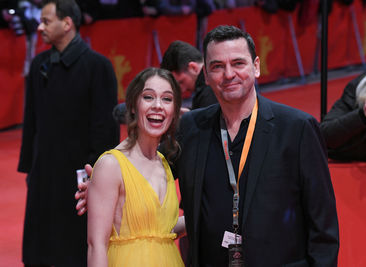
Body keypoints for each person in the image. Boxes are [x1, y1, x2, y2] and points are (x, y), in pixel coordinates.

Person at [77, 25, 339, 266]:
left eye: (238, 63)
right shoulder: (191, 128)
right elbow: (146, 169)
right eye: (217, 66)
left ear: (256, 67)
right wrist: (104, 185)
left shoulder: (297, 128)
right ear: (206, 73)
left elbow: (323, 227)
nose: (228, 74)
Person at [18, 0, 120, 266]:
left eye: (46, 21)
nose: (39, 27)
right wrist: (29, 167)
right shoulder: (41, 64)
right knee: (40, 248)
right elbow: (31, 121)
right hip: (43, 174)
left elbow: (105, 129)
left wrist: (98, 176)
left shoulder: (99, 67)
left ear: (67, 23)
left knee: (72, 249)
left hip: (80, 177)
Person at [87, 67, 185, 267]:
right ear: (132, 106)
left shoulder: (164, 163)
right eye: (148, 97)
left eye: (167, 99)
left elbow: (160, 230)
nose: (158, 105)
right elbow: (96, 245)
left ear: (174, 112)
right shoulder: (111, 165)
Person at [112, 40, 218, 124]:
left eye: (180, 82)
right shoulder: (208, 88)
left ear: (193, 67)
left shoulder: (209, 90)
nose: (182, 90)